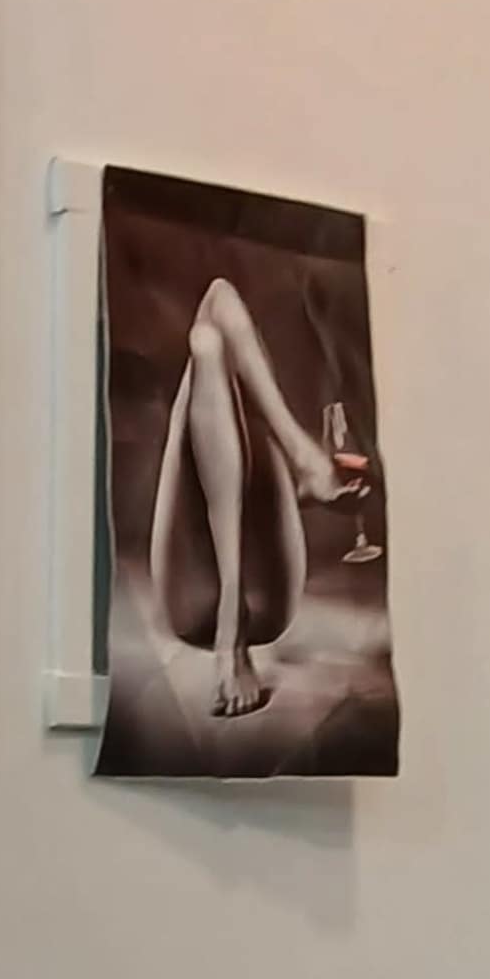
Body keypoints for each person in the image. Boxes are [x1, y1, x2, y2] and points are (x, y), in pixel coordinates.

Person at [147, 270, 362, 719]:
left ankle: (233, 624)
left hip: (251, 597)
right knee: (209, 337)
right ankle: (303, 455)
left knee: (211, 330)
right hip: (215, 598)